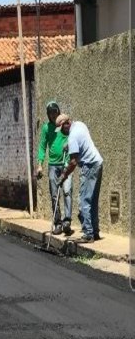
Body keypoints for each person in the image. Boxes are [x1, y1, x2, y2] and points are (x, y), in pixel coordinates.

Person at [56, 114, 103, 243]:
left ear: (66, 124)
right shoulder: (80, 125)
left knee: (84, 201)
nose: (61, 132)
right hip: (98, 163)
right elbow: (82, 141)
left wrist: (63, 176)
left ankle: (88, 233)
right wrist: (69, 146)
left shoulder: (72, 137)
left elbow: (73, 162)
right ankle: (95, 232)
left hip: (89, 166)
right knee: (92, 200)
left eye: (62, 128)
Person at [36, 101, 72, 235]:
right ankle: (58, 223)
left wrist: (69, 143)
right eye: (50, 112)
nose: (53, 114)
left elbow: (72, 135)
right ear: (48, 114)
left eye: (55, 112)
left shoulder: (65, 125)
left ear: (58, 112)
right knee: (54, 195)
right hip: (53, 166)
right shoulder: (46, 128)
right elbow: (42, 146)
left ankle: (67, 222)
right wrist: (40, 164)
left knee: (67, 191)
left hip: (66, 165)